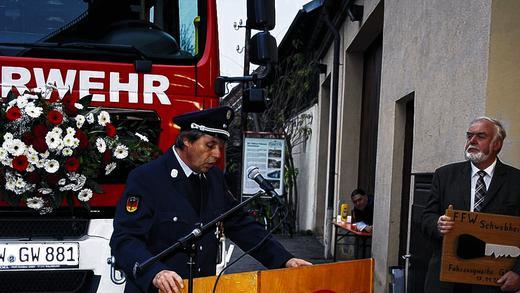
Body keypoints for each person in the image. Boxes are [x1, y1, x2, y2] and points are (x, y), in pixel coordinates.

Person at [110, 106, 311, 293]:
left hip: (202, 287)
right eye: (210, 145)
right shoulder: (147, 178)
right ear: (187, 140)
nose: (217, 154)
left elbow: (241, 225)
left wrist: (285, 260)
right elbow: (125, 239)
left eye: (220, 147)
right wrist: (155, 272)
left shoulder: (213, 178)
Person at [421, 117, 520, 293]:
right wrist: (437, 223)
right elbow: (426, 217)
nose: (472, 141)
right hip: (446, 281)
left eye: (480, 136)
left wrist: (519, 273)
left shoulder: (516, 181)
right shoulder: (444, 175)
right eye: (469, 136)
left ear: (497, 144)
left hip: (493, 281)